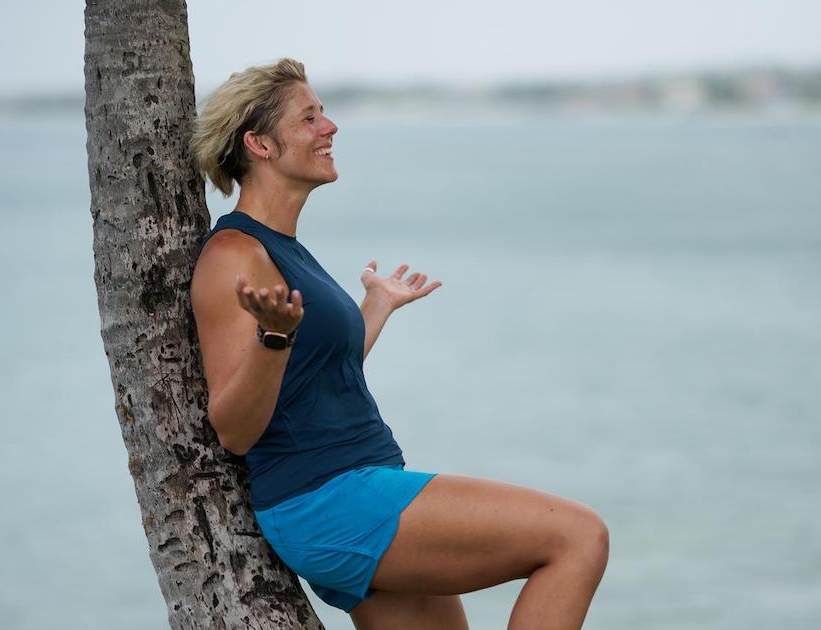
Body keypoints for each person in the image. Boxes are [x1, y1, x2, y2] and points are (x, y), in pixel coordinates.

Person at [188, 58, 609, 630]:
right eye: (309, 118)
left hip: (352, 490)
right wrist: (273, 337)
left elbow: (310, 377)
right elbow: (235, 429)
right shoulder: (234, 256)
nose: (329, 126)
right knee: (578, 536)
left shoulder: (283, 248)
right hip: (330, 500)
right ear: (259, 144)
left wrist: (375, 307)